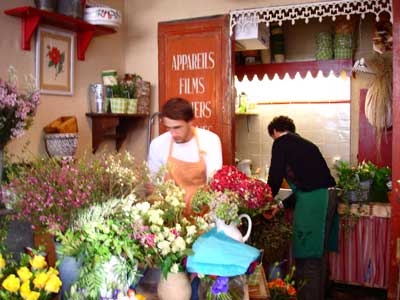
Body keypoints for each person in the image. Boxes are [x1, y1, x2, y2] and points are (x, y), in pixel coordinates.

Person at [266, 115, 338, 300]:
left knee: (308, 258)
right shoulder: (307, 144)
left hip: (315, 202)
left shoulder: (281, 143)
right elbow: (304, 187)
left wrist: (264, 200)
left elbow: (274, 179)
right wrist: (280, 205)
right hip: (328, 197)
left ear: (275, 132)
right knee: (318, 255)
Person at [147, 97, 223, 216]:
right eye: (168, 128)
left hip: (203, 216)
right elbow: (152, 185)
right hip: (171, 218)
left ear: (190, 122)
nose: (172, 134)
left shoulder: (210, 141)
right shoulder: (157, 144)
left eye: (177, 127)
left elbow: (214, 184)